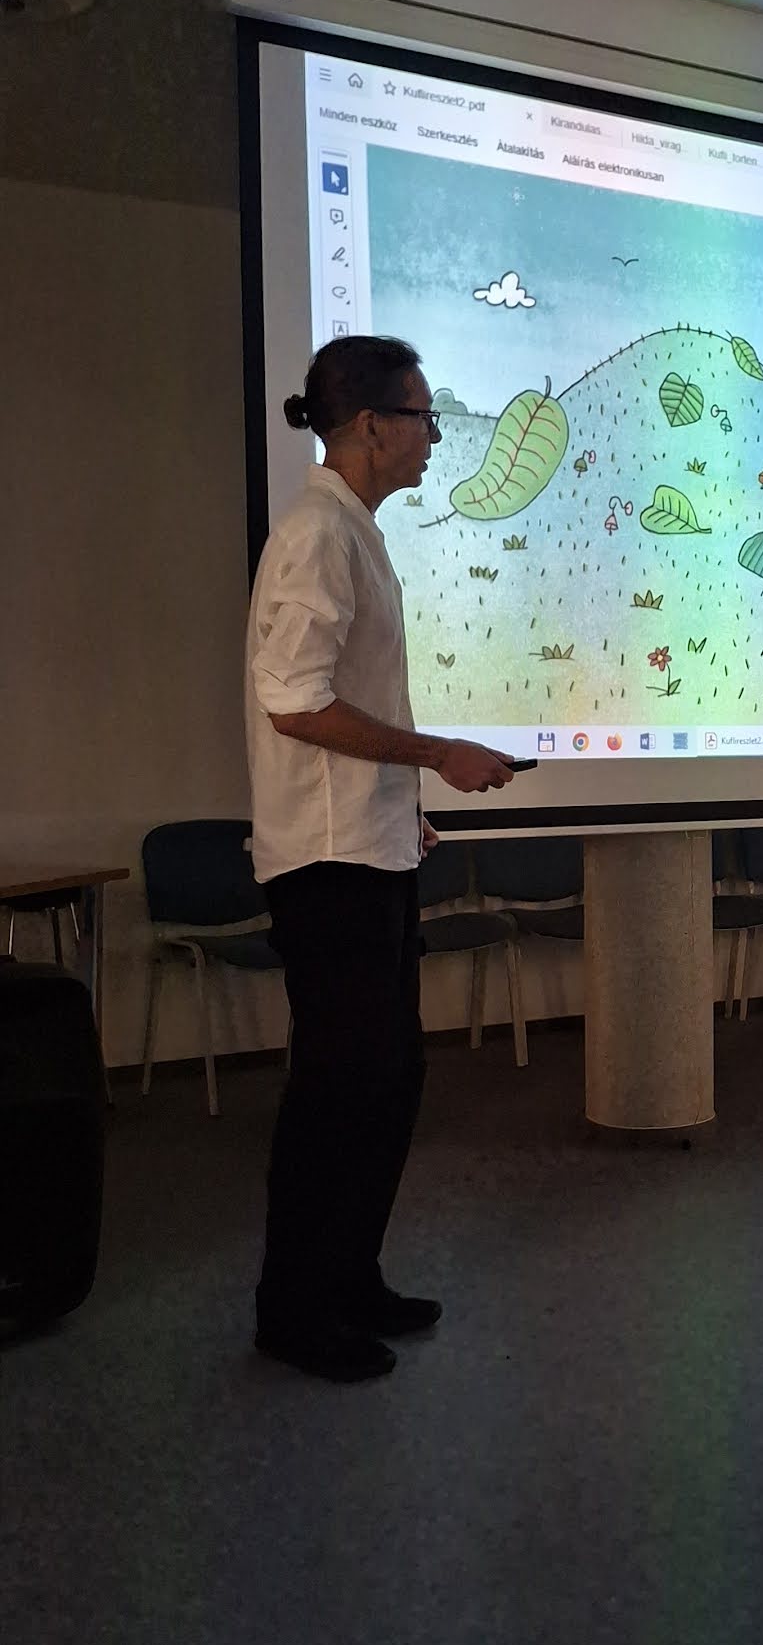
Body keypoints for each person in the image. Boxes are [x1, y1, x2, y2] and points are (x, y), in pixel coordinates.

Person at [245, 335, 513, 1383]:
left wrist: (401, 804)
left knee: (388, 1082)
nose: (434, 436)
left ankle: (349, 1280)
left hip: (368, 846)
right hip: (327, 867)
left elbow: (330, 706)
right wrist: (435, 755)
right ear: (368, 426)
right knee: (338, 1090)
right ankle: (292, 1310)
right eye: (422, 416)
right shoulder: (318, 536)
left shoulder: (353, 530)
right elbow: (293, 702)